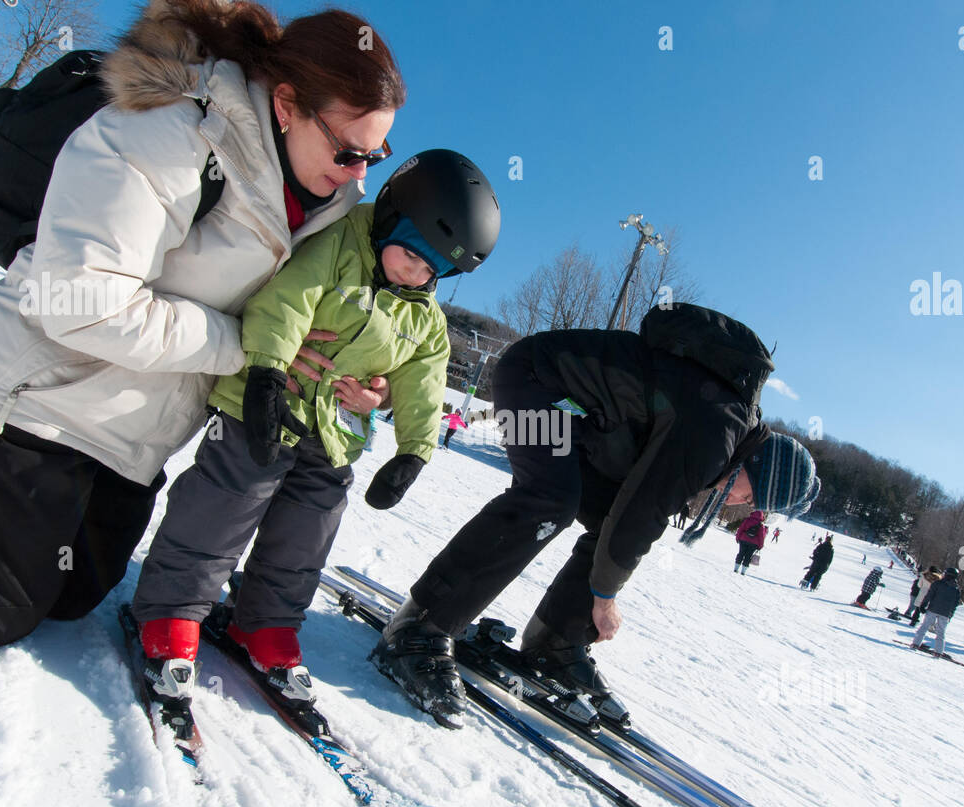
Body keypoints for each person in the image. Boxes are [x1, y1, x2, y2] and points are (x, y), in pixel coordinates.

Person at [0, 1, 406, 647]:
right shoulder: (171, 136)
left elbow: (329, 321)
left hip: (135, 437)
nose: (360, 174)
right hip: (40, 402)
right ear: (287, 103)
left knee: (71, 594)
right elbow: (79, 300)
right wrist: (249, 350)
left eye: (376, 154)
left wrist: (366, 383)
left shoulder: (330, 207)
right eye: (350, 150)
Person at [129, 150, 499, 710]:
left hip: (333, 437)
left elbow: (425, 378)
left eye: (434, 271)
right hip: (264, 411)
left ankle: (265, 622)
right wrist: (267, 373)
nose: (417, 274)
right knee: (222, 509)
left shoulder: (422, 314)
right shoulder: (339, 246)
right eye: (414, 254)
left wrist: (414, 451)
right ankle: (171, 611)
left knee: (308, 533)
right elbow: (288, 301)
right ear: (391, 219)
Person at [366, 304, 820, 727]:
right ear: (756, 470)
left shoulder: (723, 425)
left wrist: (601, 592)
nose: (741, 504)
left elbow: (627, 511)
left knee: (602, 518)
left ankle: (555, 643)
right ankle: (420, 625)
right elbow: (642, 516)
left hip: (577, 417)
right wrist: (604, 599)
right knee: (548, 498)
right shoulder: (717, 430)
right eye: (753, 497)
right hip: (533, 383)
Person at [910, 566, 960, 657]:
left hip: (933, 609)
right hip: (945, 613)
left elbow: (930, 595)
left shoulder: (938, 583)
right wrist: (950, 614)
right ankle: (938, 651)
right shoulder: (956, 589)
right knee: (941, 632)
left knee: (924, 626)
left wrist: (923, 605)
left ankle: (915, 643)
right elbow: (955, 604)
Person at [733, 509, 768, 574]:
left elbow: (740, 529)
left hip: (743, 540)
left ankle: (736, 569)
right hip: (754, 543)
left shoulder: (747, 520)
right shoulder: (761, 525)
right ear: (762, 517)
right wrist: (760, 546)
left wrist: (737, 538)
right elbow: (762, 537)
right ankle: (743, 572)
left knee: (741, 553)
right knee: (748, 556)